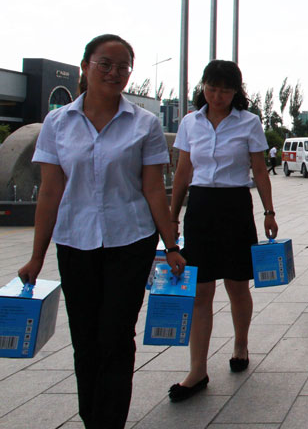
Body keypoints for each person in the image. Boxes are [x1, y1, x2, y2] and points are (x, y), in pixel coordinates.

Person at [18, 34, 185, 429]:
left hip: (131, 241)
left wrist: (171, 245)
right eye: (105, 64)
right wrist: (37, 257)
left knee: (116, 336)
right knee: (85, 337)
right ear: (85, 66)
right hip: (75, 241)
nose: (114, 73)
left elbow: (152, 189)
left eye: (123, 67)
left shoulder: (144, 124)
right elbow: (50, 192)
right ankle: (92, 417)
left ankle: (109, 422)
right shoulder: (58, 123)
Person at [168, 60, 278, 402]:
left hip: (235, 207)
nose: (217, 96)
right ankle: (197, 370)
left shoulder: (249, 122)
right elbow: (183, 171)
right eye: (211, 88)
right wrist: (171, 217)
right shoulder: (190, 122)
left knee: (236, 284)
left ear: (236, 92)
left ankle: (240, 343)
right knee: (200, 291)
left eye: (225, 90)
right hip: (200, 208)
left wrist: (269, 212)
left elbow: (259, 170)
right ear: (203, 87)